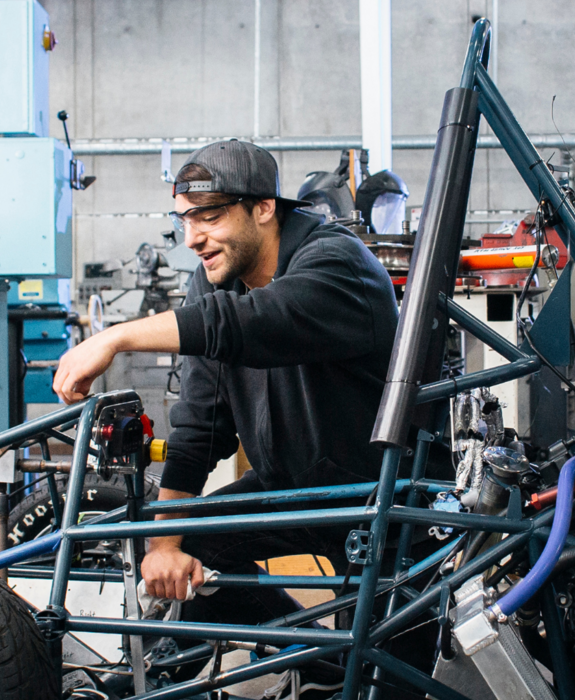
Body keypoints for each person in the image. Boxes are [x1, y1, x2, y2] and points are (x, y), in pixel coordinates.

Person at [49, 139, 403, 699]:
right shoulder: (213, 280)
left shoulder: (339, 263)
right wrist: (164, 544)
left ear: (264, 207)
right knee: (198, 544)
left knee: (385, 678)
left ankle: (345, 674)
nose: (193, 238)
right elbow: (200, 425)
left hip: (387, 496)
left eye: (210, 216)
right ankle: (311, 660)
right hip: (295, 486)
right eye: (185, 219)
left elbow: (251, 324)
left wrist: (117, 336)